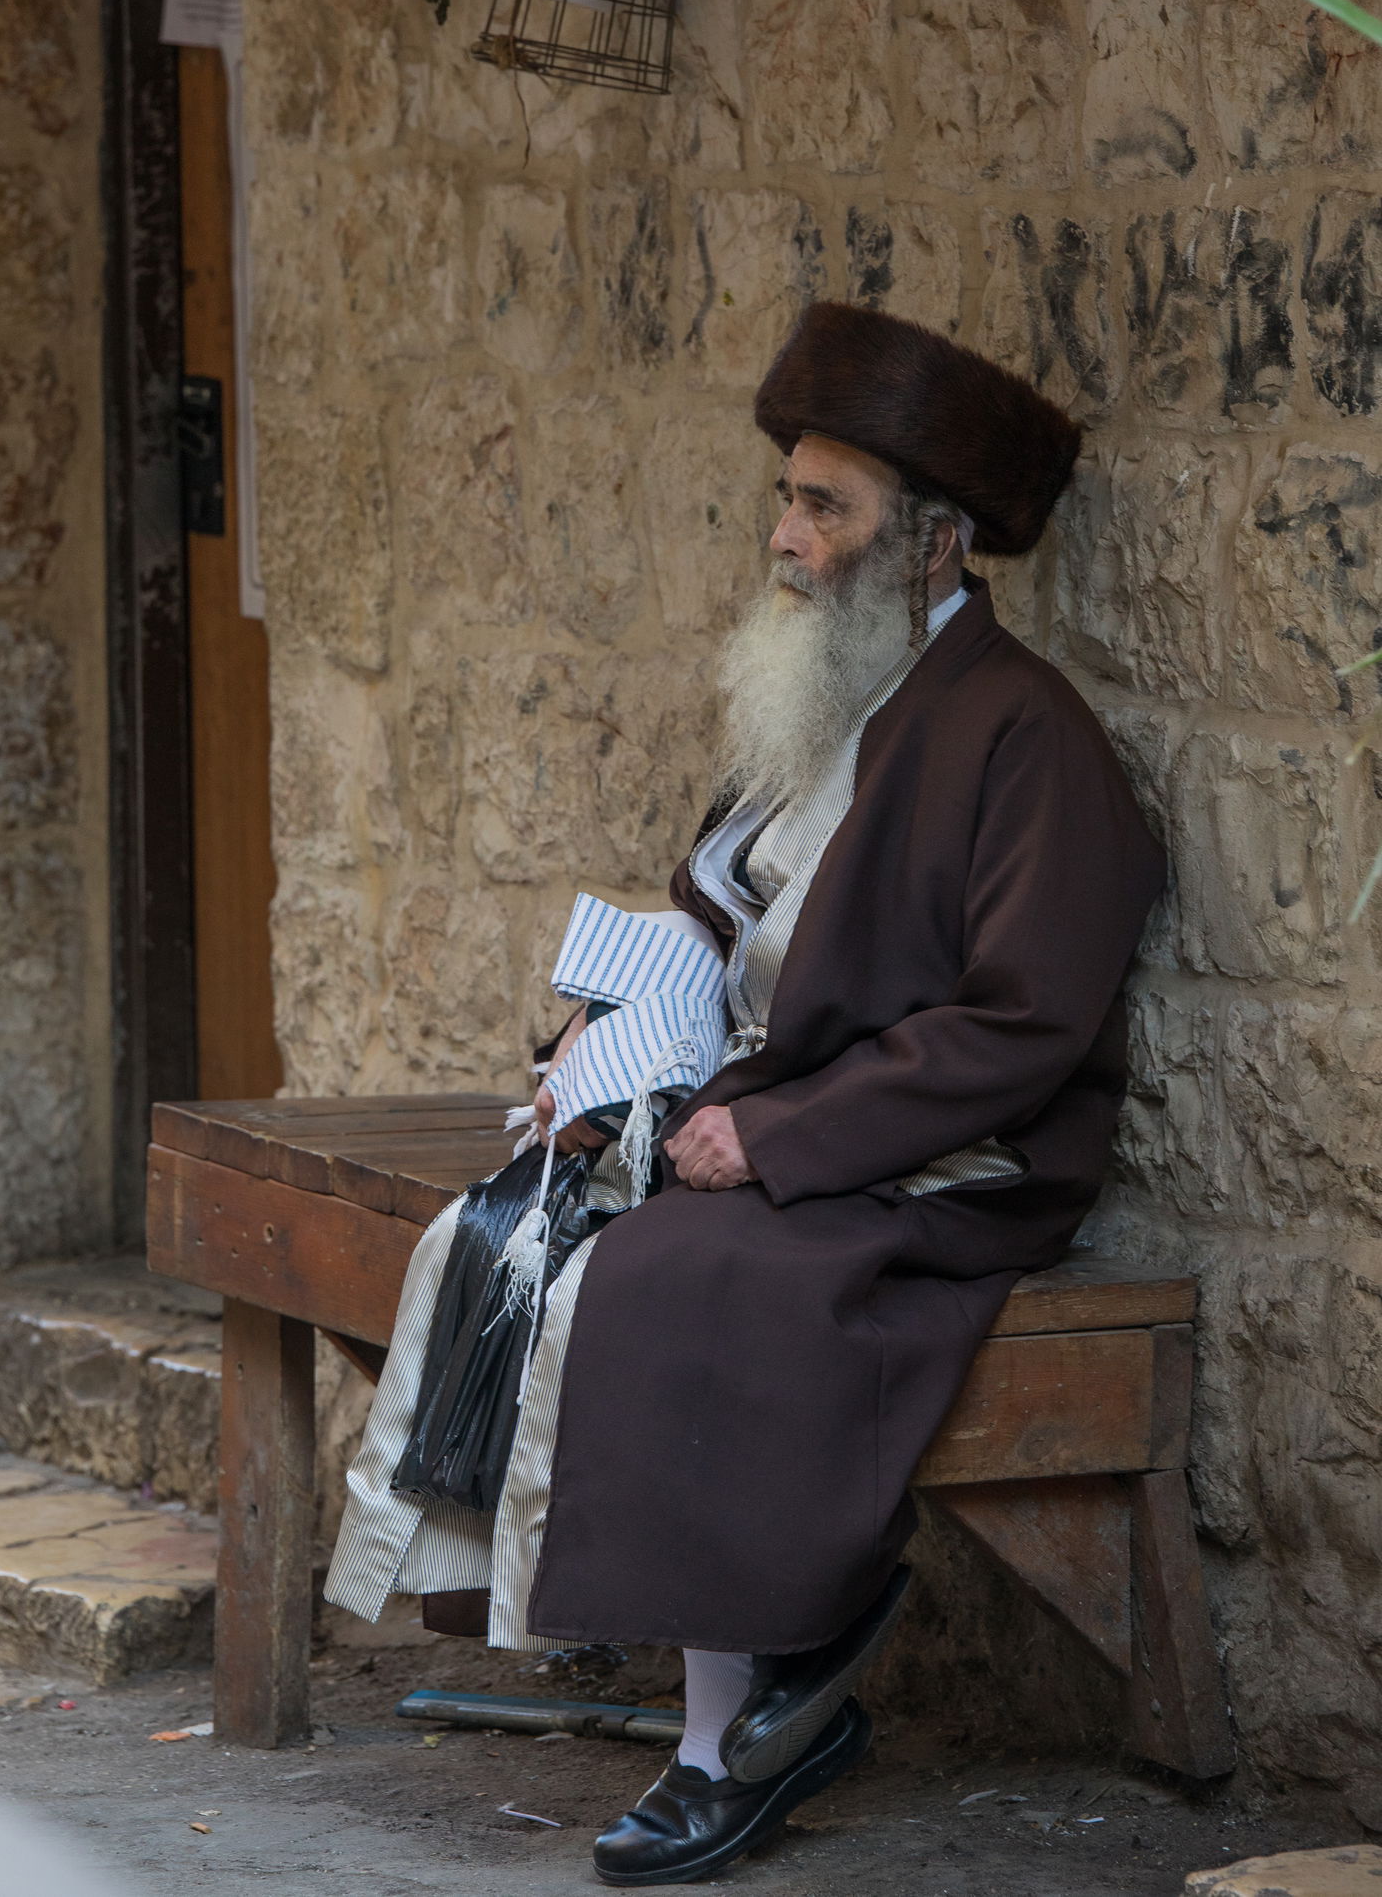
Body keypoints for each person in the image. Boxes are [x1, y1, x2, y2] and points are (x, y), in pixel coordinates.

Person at [327, 301, 1165, 1887]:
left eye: (824, 508)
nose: (785, 537)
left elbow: (1021, 1027)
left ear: (932, 543)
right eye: (787, 497)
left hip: (950, 1158)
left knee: (672, 1273)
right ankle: (752, 1669)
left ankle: (731, 1742)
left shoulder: (1029, 737)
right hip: (772, 1112)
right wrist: (607, 1049)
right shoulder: (827, 691)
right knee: (505, 1229)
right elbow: (721, 920)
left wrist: (772, 1137)